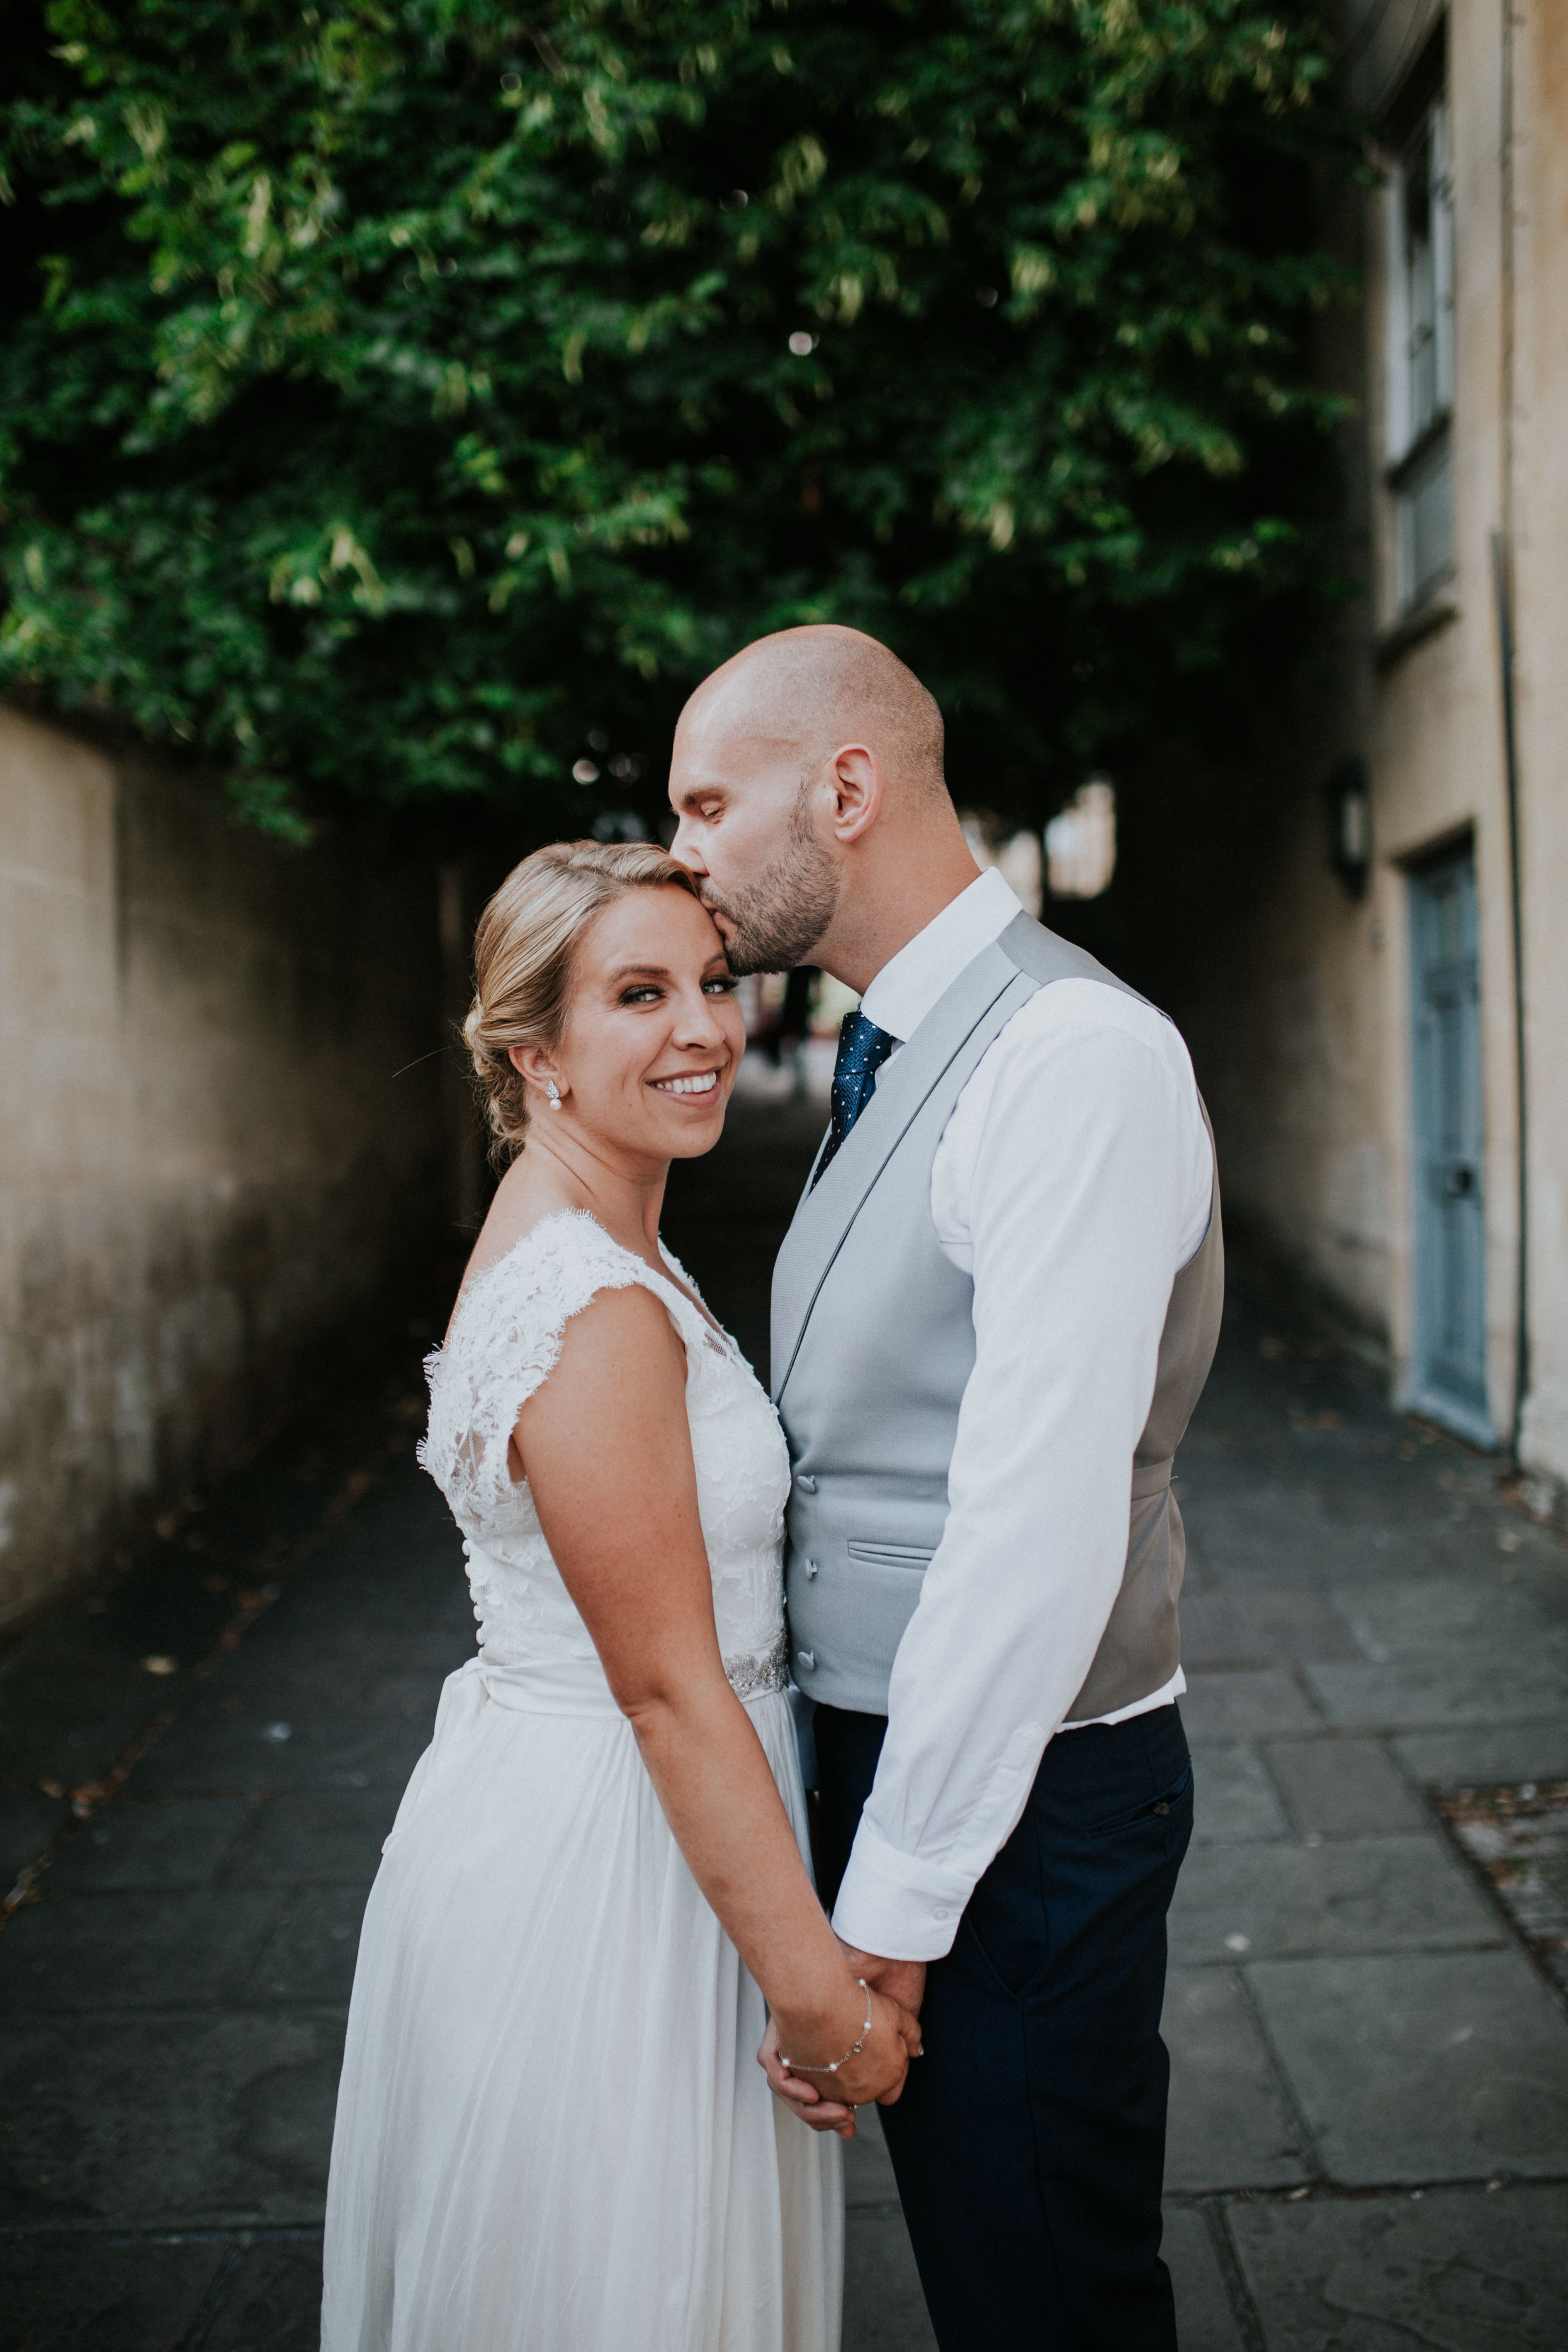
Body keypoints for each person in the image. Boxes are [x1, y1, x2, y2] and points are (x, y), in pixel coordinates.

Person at [667, 627, 1223, 2352]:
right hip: (906, 1761)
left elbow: (1034, 1528)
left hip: (1024, 1802)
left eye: (704, 799)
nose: (679, 848)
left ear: (845, 787)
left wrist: (894, 1911)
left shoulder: (1071, 1054)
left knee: (1046, 2296)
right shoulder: (899, 1043)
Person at [320, 840, 919, 2352]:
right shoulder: (588, 1305)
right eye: (639, 995)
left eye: (713, 984)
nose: (705, 1030)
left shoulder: (599, 1243)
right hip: (616, 1866)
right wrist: (822, 2002)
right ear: (536, 1051)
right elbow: (665, 1684)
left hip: (625, 1816)